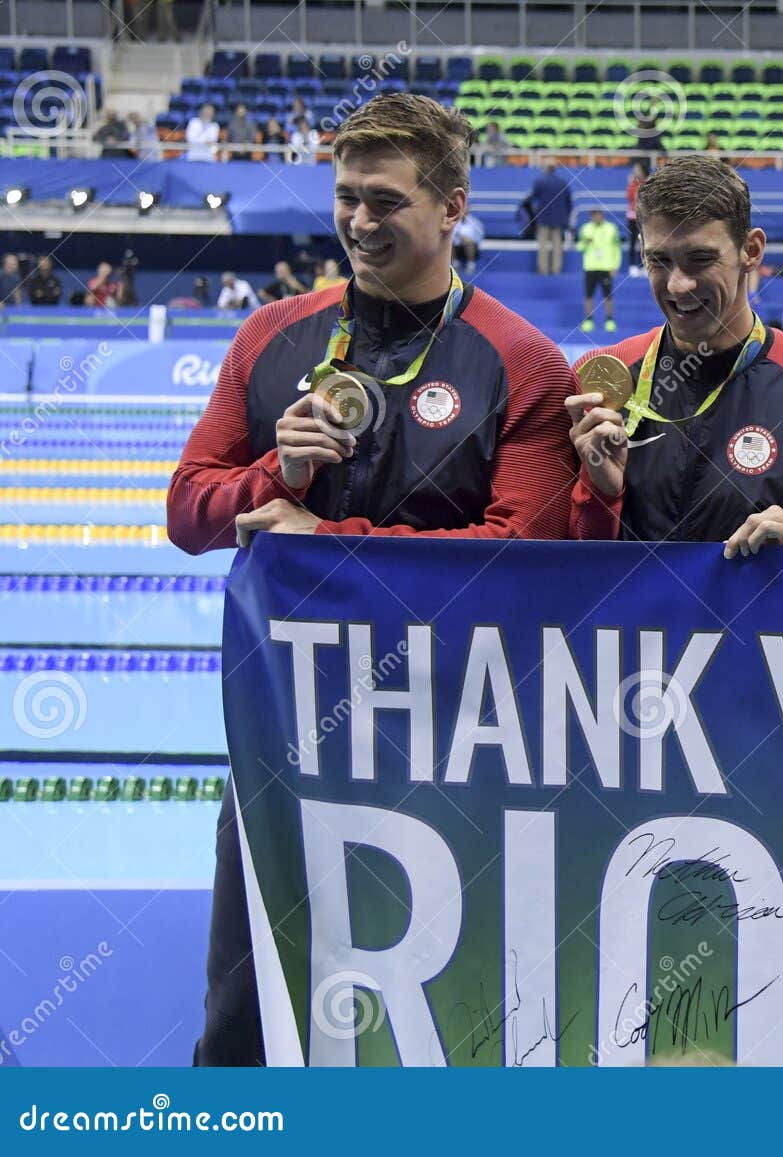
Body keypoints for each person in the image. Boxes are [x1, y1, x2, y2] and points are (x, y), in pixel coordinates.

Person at [173, 93, 585, 1066]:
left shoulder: (520, 363)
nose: (360, 221)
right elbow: (189, 508)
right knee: (246, 1011)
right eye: (348, 197)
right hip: (284, 742)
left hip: (453, 743)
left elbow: (514, 562)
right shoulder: (273, 337)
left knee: (457, 1014)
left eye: (386, 200)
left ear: (451, 206)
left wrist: (325, 535)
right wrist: (279, 473)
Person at [565, 154, 783, 552]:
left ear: (751, 250)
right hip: (631, 618)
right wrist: (601, 494)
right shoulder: (599, 386)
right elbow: (572, 567)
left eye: (700, 259)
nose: (678, 285)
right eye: (659, 260)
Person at [576, 207, 622, 334]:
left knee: (607, 296)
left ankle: (609, 320)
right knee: (588, 295)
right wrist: (585, 242)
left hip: (606, 267)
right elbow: (579, 247)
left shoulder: (611, 228)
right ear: (592, 216)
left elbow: (616, 248)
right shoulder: (585, 229)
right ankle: (589, 320)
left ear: (602, 216)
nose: (597, 217)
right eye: (594, 215)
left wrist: (615, 266)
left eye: (599, 215)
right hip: (590, 267)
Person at [523, 162, 572, 276]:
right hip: (559, 219)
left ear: (545, 169)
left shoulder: (540, 182)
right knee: (557, 246)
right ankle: (556, 269)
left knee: (543, 246)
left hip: (544, 218)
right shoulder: (562, 182)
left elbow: (531, 197)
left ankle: (543, 269)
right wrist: (566, 216)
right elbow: (569, 202)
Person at [625, 161, 646, 273]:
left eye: (637, 169)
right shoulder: (632, 184)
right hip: (632, 216)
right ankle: (632, 265)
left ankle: (643, 266)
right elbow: (628, 197)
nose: (635, 172)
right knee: (633, 241)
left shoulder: (647, 183)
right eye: (634, 170)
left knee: (643, 241)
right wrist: (630, 183)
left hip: (643, 216)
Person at [453, 210, 484, 274]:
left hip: (471, 245)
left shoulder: (475, 222)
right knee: (449, 242)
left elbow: (480, 234)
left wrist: (468, 239)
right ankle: (454, 263)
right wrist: (459, 237)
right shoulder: (453, 221)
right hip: (456, 245)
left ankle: (471, 264)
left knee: (469, 242)